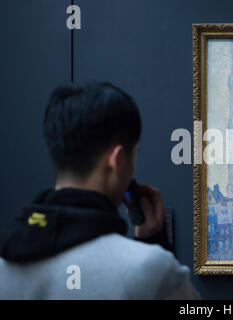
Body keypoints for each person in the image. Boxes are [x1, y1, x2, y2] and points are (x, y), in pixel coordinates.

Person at [0, 82, 200, 299]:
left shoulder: (6, 262)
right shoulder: (153, 270)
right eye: (134, 155)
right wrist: (152, 245)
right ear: (117, 160)